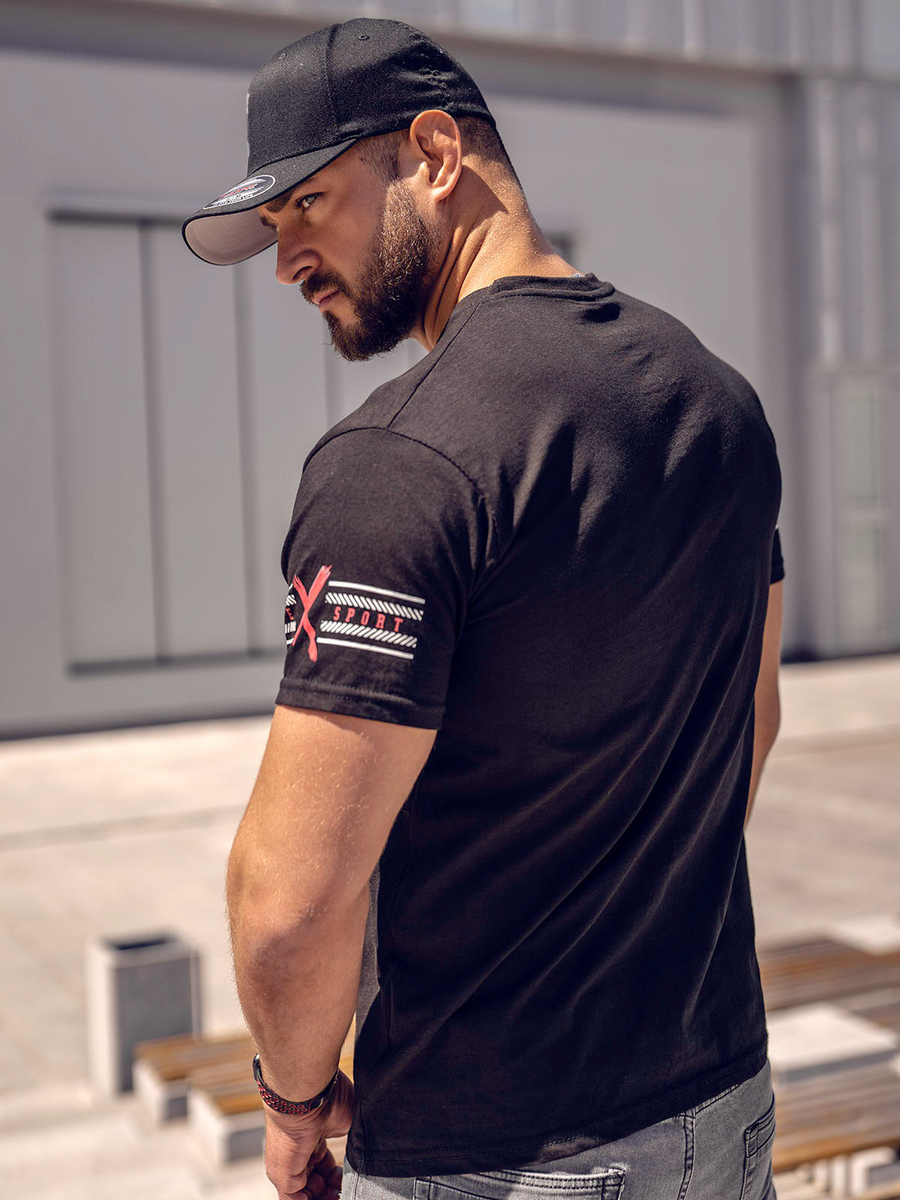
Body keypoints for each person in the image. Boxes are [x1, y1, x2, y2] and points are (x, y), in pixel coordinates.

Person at [183, 17, 784, 1200]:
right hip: (723, 1106)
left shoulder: (400, 462)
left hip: (500, 1152)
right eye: (272, 226)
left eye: (308, 203)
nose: (285, 258)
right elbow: (752, 725)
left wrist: (293, 1106)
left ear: (435, 153)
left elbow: (290, 901)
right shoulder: (719, 404)